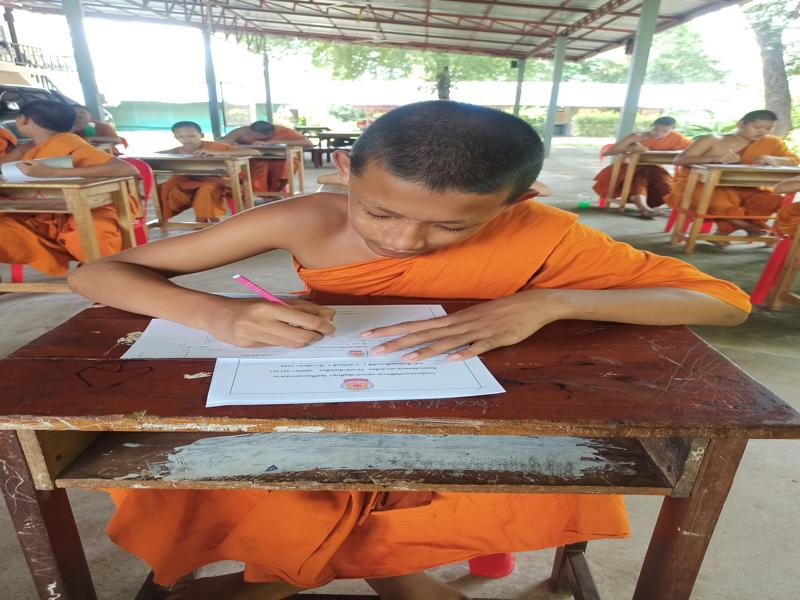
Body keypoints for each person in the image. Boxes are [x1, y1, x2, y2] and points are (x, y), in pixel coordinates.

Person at [68, 101, 750, 600]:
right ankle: (397, 577)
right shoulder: (308, 218)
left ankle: (289, 580)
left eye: (450, 227)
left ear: (516, 200)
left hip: (463, 399)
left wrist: (549, 301)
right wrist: (215, 312)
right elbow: (96, 273)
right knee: (259, 465)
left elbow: (722, 301)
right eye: (379, 212)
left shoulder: (546, 234)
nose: (402, 242)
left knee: (517, 462)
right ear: (345, 170)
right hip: (330, 386)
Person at [0, 100, 139, 276]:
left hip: (90, 208)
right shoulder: (29, 147)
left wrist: (54, 172)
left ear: (24, 119)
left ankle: (102, 278)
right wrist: (20, 152)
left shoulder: (68, 143)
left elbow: (127, 169)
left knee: (93, 235)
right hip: (44, 211)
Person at [665, 110, 800, 238]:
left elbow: (794, 160)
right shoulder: (713, 139)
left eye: (768, 128)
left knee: (772, 200)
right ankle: (745, 225)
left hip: (746, 187)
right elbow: (679, 160)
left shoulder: (772, 142)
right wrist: (713, 158)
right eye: (757, 127)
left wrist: (772, 159)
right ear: (740, 124)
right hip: (703, 185)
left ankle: (724, 231)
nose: (763, 131)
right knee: (717, 199)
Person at [158, 121, 259, 223]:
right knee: (166, 188)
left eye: (191, 136)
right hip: (187, 182)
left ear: (201, 135)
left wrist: (217, 153)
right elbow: (156, 155)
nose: (187, 140)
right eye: (181, 137)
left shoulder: (216, 147)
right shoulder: (175, 151)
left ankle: (203, 220)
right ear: (176, 137)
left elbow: (255, 152)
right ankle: (165, 221)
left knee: (207, 189)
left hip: (216, 180)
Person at [593, 116, 691, 217]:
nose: (658, 133)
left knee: (663, 180)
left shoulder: (676, 138)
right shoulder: (637, 136)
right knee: (640, 177)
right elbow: (607, 152)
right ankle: (645, 208)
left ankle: (676, 208)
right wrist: (630, 149)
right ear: (651, 126)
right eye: (656, 129)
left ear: (672, 130)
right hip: (628, 168)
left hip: (654, 168)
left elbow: (692, 150)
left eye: (664, 131)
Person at [221, 120, 312, 193]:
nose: (252, 137)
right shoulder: (242, 131)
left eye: (257, 136)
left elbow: (308, 143)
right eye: (251, 134)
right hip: (249, 159)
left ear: (269, 134)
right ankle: (246, 191)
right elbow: (224, 143)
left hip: (278, 159)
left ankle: (276, 190)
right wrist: (232, 145)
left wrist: (274, 142)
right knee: (234, 168)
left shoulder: (282, 131)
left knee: (283, 166)